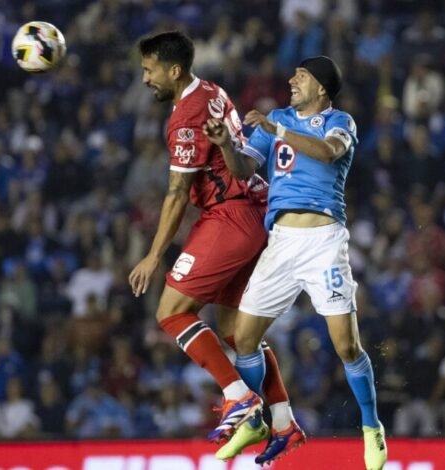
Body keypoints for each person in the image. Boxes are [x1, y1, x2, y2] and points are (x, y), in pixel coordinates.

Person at [204, 55, 387, 469]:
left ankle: (372, 427)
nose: (291, 80)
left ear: (321, 87)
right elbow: (244, 169)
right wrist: (226, 145)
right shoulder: (279, 116)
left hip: (324, 240)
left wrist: (276, 128)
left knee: (347, 345)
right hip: (282, 240)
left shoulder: (341, 121)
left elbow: (326, 153)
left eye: (300, 76)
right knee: (243, 338)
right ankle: (254, 420)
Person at [128, 31, 295, 445]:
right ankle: (283, 418)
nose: (145, 78)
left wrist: (153, 256)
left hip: (231, 216)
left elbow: (177, 194)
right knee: (237, 331)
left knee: (170, 311)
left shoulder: (186, 117)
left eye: (149, 70)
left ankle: (239, 397)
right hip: (255, 209)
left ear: (173, 70)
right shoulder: (212, 90)